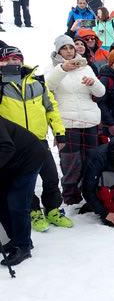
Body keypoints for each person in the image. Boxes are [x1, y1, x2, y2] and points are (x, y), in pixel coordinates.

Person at [0, 46, 72, 232]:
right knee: (23, 181)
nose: (11, 63)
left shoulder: (37, 82)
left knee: (50, 176)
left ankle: (53, 208)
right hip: (12, 143)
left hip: (38, 140)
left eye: (15, 59)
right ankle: (33, 210)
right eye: (7, 60)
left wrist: (59, 132)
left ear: (22, 61)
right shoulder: (1, 85)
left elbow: (50, 107)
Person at [45, 35, 105, 205]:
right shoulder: (51, 67)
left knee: (91, 159)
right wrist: (62, 69)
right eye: (65, 48)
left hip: (89, 120)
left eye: (71, 47)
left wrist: (93, 83)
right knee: (71, 161)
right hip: (67, 121)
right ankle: (71, 194)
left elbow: (100, 92)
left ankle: (90, 192)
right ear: (58, 51)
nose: (69, 51)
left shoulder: (85, 66)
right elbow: (47, 87)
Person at [0, 116, 43, 266]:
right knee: (2, 202)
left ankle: (23, 246)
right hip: (9, 164)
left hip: (28, 158)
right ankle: (16, 240)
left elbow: (6, 147)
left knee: (17, 203)